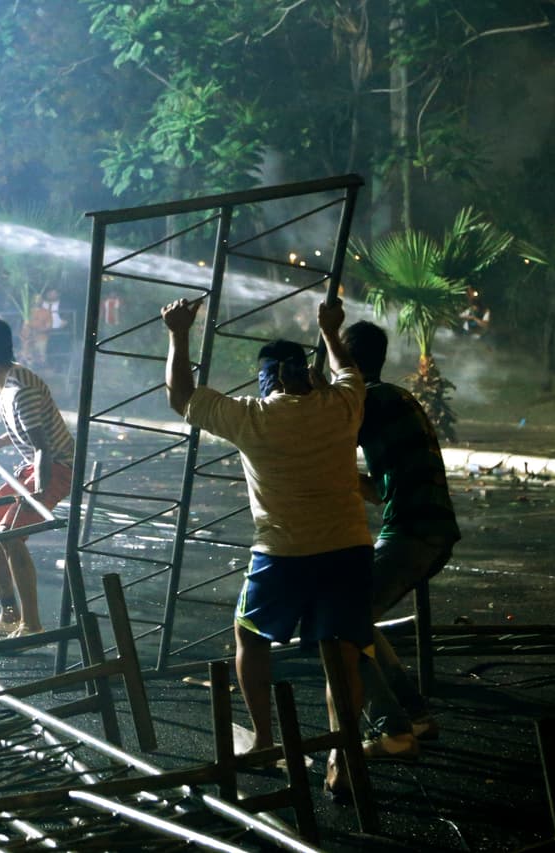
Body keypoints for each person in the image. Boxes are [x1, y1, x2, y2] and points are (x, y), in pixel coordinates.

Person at [163, 297, 371, 791]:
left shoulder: (252, 417)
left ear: (267, 380)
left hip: (283, 552)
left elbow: (181, 396)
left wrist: (177, 334)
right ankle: (342, 757)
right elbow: (346, 369)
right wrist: (330, 331)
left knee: (250, 637)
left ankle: (262, 738)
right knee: (342, 655)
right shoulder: (343, 406)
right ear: (305, 375)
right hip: (351, 548)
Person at [341, 320, 458, 760]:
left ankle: (393, 728)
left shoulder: (368, 400)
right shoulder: (394, 398)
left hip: (413, 531)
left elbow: (322, 436)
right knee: (358, 617)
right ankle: (416, 714)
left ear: (348, 362)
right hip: (428, 529)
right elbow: (382, 488)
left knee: (340, 624)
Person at [0, 316, 76, 641]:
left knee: (10, 534)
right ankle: (9, 614)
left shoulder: (19, 390)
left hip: (56, 465)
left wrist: (39, 493)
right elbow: (27, 427)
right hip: (34, 464)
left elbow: (42, 447)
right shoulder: (8, 379)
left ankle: (32, 624)